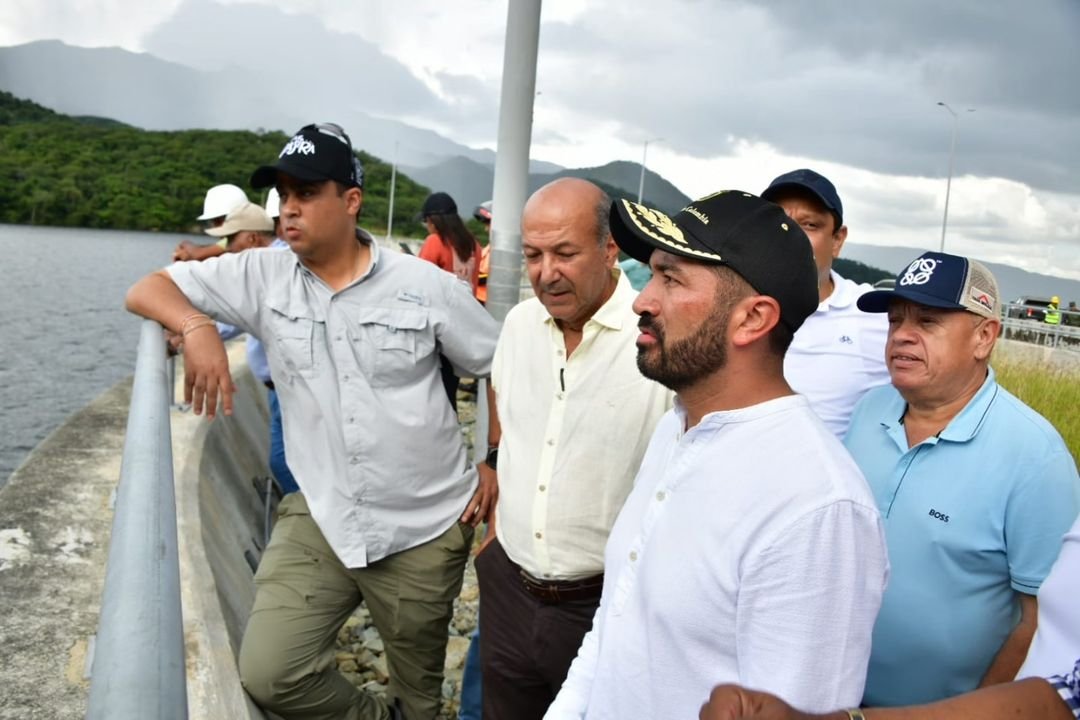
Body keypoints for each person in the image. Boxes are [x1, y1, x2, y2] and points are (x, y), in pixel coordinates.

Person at [125, 121, 500, 720]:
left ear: (350, 202)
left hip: (425, 526)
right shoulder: (261, 276)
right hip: (323, 513)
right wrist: (197, 329)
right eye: (283, 197)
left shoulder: (422, 286)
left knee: (420, 694)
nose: (288, 211)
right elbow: (148, 287)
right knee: (272, 673)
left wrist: (494, 459)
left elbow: (498, 363)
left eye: (305, 194)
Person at [545, 191, 889, 720]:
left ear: (753, 319)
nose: (642, 300)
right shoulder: (678, 426)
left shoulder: (818, 507)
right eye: (652, 274)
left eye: (672, 278)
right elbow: (616, 625)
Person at [843, 251, 1080, 707]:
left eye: (928, 322)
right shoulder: (869, 410)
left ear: (983, 337)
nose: (902, 337)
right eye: (896, 321)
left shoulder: (1035, 458)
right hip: (836, 696)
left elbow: (1042, 621)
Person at [475, 178, 672, 720]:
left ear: (610, 249)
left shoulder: (655, 339)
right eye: (534, 255)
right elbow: (506, 408)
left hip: (603, 605)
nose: (545, 273)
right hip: (510, 588)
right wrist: (495, 534)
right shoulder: (517, 325)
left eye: (564, 253)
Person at [698, 512, 1080, 720]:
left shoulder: (1033, 454)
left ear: (980, 358)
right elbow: (1062, 695)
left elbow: (1033, 621)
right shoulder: (871, 413)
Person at [760, 169, 889, 437]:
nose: (791, 235)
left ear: (837, 240)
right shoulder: (725, 309)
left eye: (810, 225)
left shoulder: (875, 316)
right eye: (777, 221)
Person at [417, 191, 484, 412]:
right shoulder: (474, 245)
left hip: (434, 329)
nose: (427, 226)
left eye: (427, 221)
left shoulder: (434, 242)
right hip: (462, 328)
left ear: (434, 220)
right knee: (450, 391)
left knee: (429, 397)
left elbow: (418, 284)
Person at [173, 183, 249, 261]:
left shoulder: (240, 239)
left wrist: (185, 245)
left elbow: (198, 254)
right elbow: (215, 247)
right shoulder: (250, 234)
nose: (215, 227)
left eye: (216, 221)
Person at [473, 201, 493, 305]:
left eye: (488, 224)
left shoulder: (499, 252)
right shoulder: (489, 247)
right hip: (477, 297)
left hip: (485, 301)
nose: (486, 229)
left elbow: (489, 276)